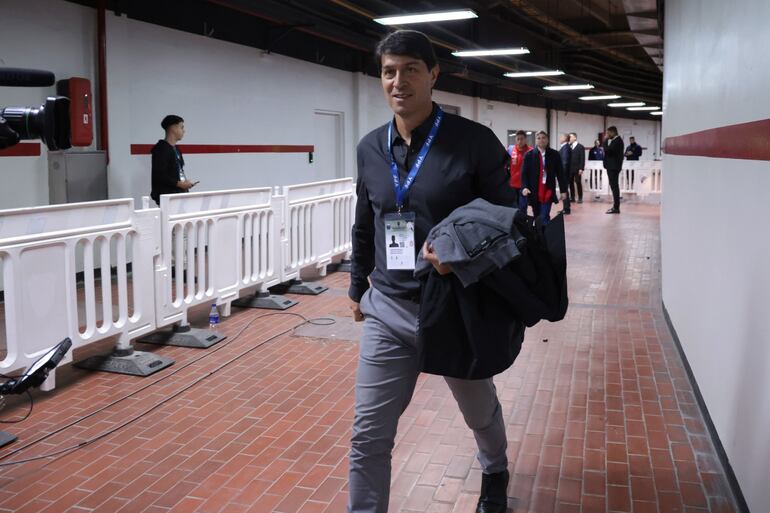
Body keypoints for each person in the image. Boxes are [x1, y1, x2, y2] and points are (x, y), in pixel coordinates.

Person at [348, 30, 514, 513]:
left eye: (411, 70)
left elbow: (508, 220)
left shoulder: (473, 144)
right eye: (388, 71)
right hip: (389, 308)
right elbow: (366, 222)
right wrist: (358, 287)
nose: (398, 81)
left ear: (434, 74)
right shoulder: (369, 149)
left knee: (478, 410)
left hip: (454, 307)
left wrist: (460, 253)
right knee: (368, 434)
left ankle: (495, 469)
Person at [521, 131, 568, 225]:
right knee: (537, 216)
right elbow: (524, 173)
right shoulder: (529, 155)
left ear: (547, 140)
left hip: (548, 191)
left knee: (544, 216)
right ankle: (539, 236)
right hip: (534, 191)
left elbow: (560, 174)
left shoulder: (555, 154)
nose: (541, 140)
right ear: (536, 140)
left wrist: (563, 190)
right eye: (539, 138)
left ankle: (545, 237)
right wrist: (525, 187)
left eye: (543, 138)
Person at [150, 114, 197, 206]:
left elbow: (179, 171)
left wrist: (185, 184)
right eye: (181, 127)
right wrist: (180, 184)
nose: (184, 131)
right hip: (168, 197)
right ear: (173, 128)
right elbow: (160, 175)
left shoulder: (176, 149)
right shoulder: (161, 149)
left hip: (179, 195)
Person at [602, 126, 624, 214]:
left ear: (613, 132)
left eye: (608, 133)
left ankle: (616, 207)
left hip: (613, 167)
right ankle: (616, 206)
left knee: (614, 186)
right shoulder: (616, 140)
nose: (607, 135)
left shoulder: (617, 141)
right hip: (612, 166)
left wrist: (605, 141)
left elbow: (607, 150)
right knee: (614, 186)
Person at [507, 130, 531, 210]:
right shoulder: (510, 149)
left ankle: (523, 222)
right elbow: (505, 165)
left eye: (522, 139)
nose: (520, 141)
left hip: (524, 186)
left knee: (523, 207)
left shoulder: (530, 151)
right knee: (513, 207)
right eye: (518, 139)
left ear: (525, 139)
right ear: (515, 139)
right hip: (512, 185)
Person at [568, 132, 585, 204]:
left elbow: (582, 158)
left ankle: (580, 197)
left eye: (570, 137)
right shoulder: (568, 146)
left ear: (575, 137)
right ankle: (572, 197)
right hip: (570, 168)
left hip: (577, 168)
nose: (569, 138)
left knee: (578, 182)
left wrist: (581, 168)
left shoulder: (580, 146)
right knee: (570, 183)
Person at [557, 133, 572, 214]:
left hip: (564, 173)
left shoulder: (565, 148)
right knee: (565, 190)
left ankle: (566, 209)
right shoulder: (564, 147)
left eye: (561, 137)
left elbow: (565, 162)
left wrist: (561, 174)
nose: (560, 138)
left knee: (564, 190)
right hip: (565, 173)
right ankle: (567, 206)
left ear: (565, 138)